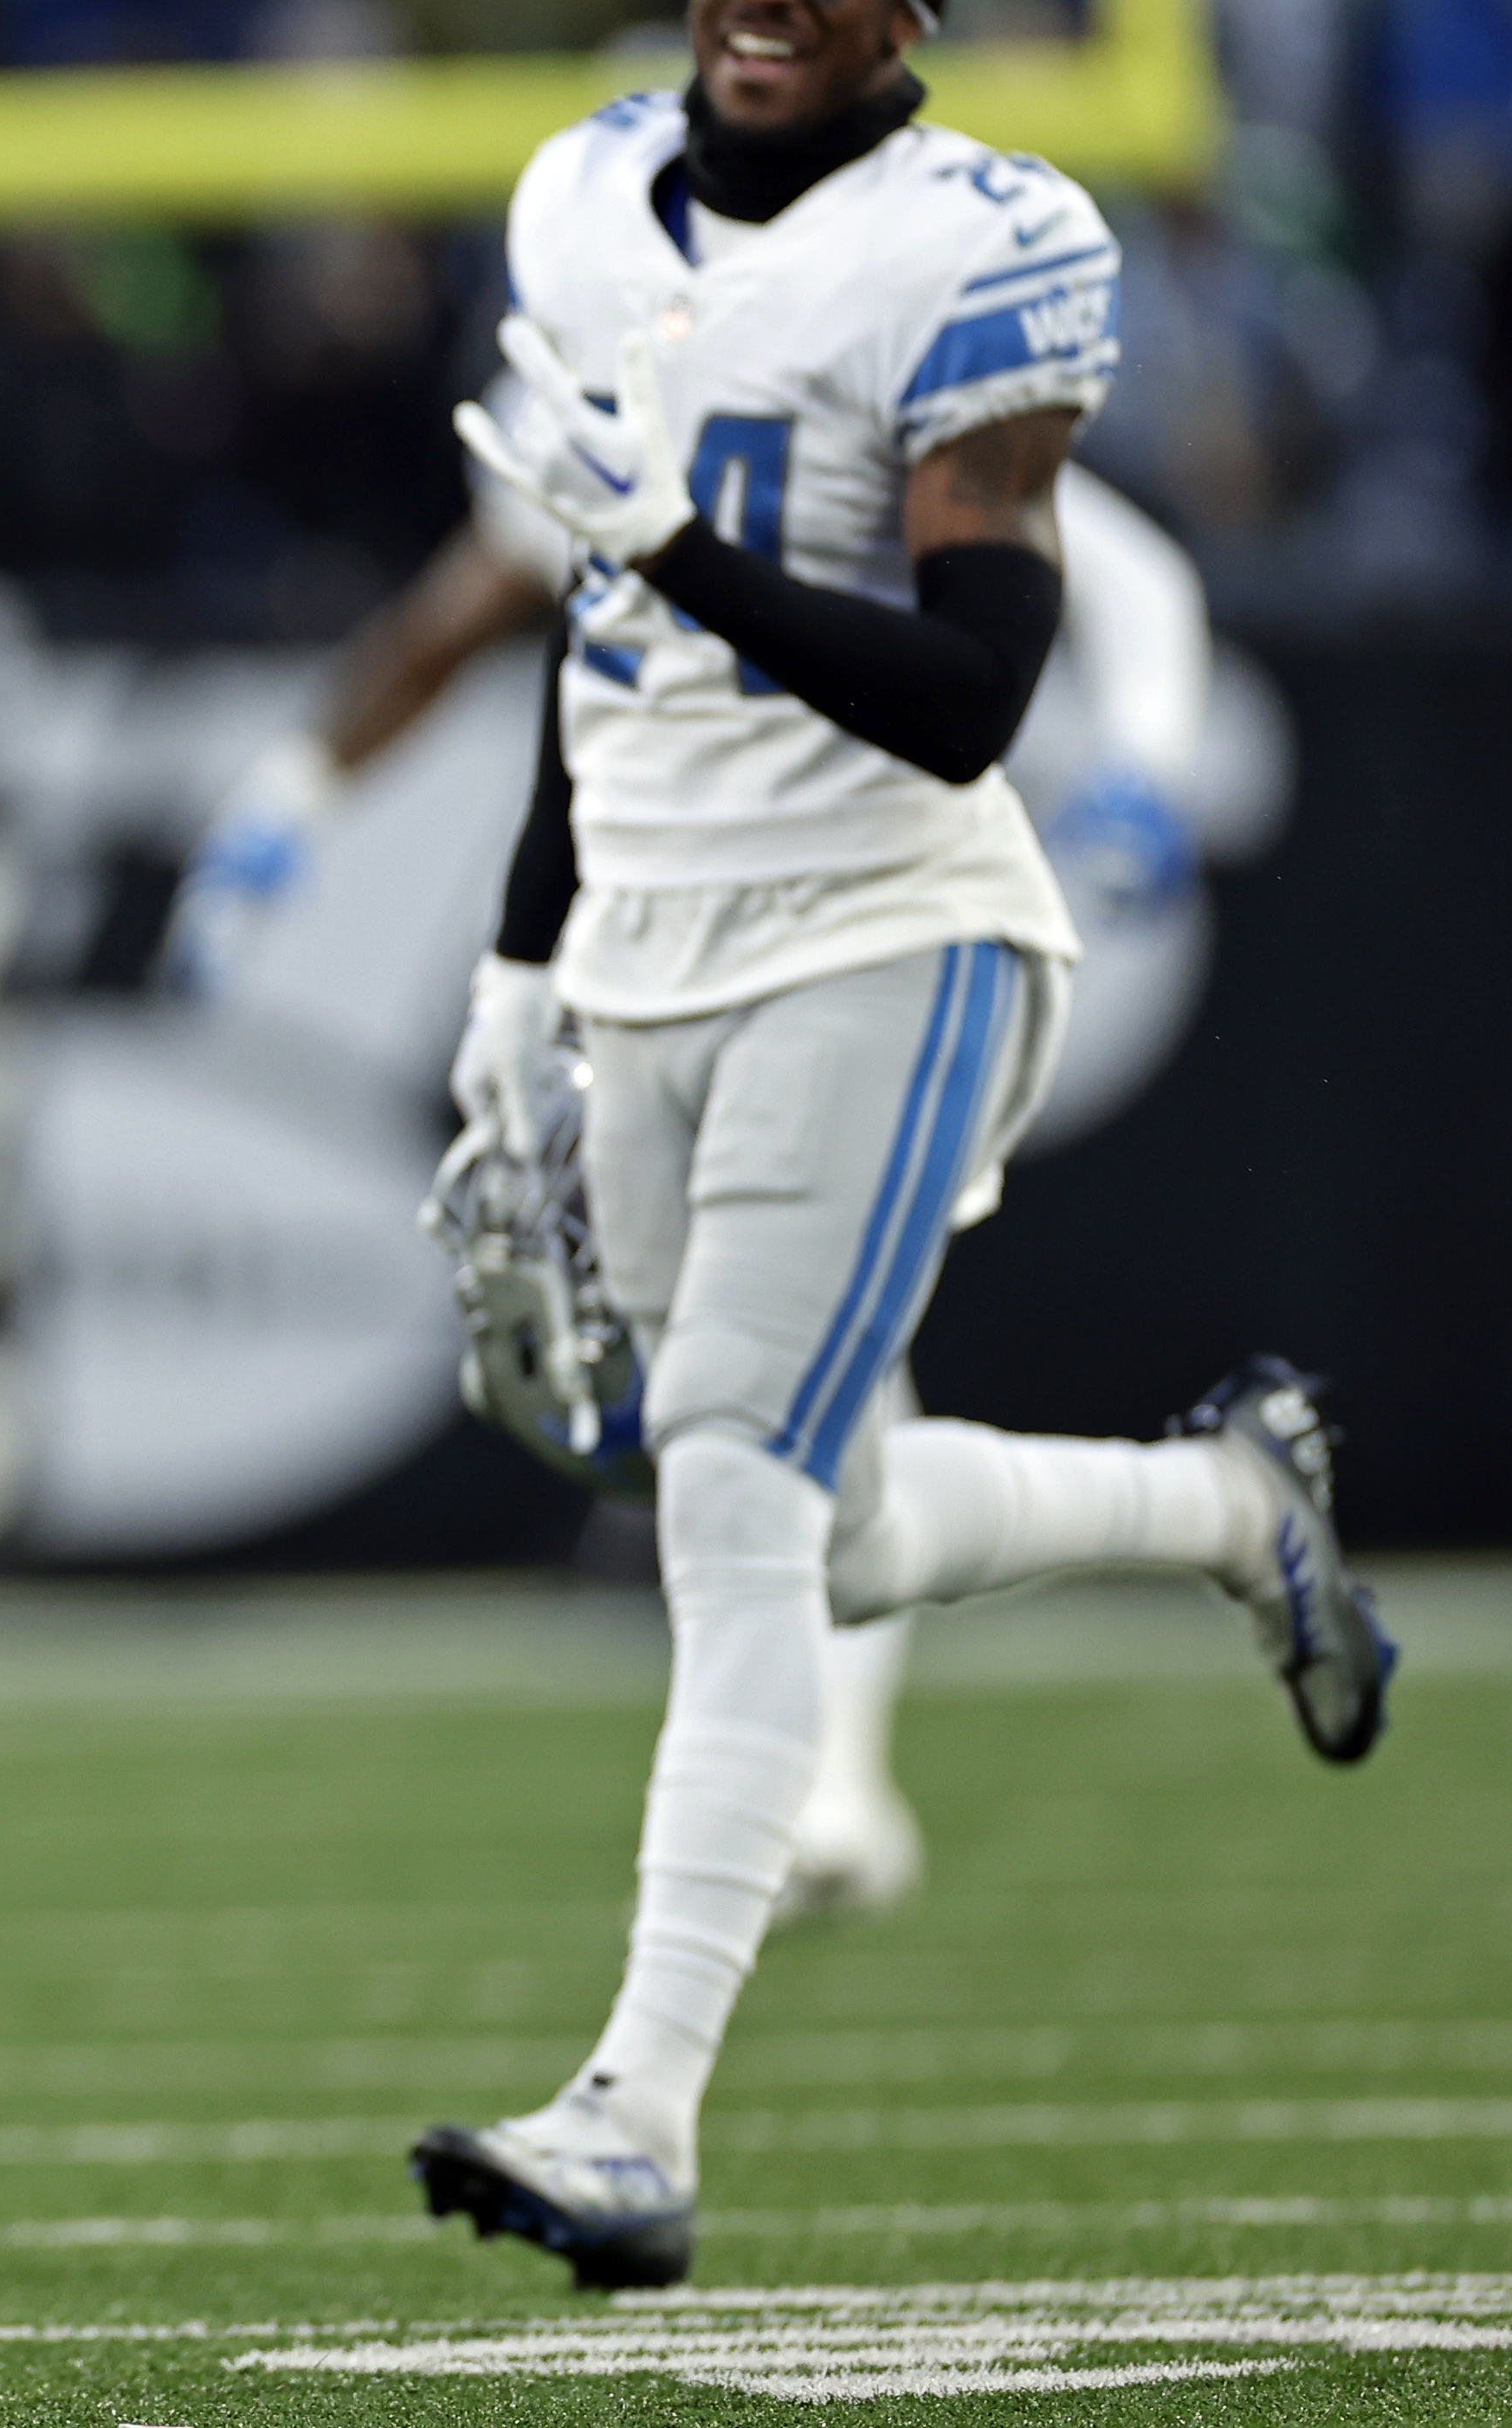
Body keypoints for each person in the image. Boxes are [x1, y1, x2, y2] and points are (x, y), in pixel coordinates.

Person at [364, 0, 1389, 2293]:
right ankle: (1230, 1507)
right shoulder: (579, 192)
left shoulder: (983, 246)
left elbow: (961, 698)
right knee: (799, 1520)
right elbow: (593, 670)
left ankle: (633, 2107)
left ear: (900, 3)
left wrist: (680, 548)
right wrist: (514, 963)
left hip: (883, 918)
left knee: (720, 1472)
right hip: (642, 937)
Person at [168, 460, 1236, 1920]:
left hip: (860, 917)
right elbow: (462, 612)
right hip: (667, 939)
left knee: (805, 1363)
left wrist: (1147, 762)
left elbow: (1120, 572)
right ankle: (1201, 1516)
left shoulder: (868, 362)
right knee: (778, 1402)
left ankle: (823, 1792)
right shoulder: (616, 370)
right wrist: (288, 795)